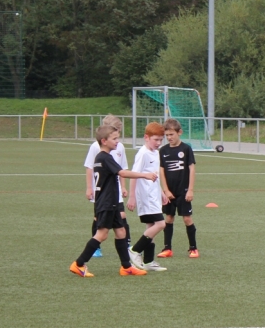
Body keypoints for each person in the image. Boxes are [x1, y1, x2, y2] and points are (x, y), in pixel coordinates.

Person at [70, 125, 157, 277]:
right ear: (104, 141)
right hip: (107, 202)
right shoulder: (105, 157)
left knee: (121, 232)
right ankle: (79, 264)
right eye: (114, 138)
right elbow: (122, 172)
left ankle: (126, 267)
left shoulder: (100, 158)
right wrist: (145, 175)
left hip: (111, 202)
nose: (118, 141)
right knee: (102, 234)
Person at [84, 114, 129, 258]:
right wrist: (89, 188)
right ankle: (93, 249)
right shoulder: (97, 148)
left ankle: (127, 247)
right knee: (99, 221)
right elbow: (89, 167)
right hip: (103, 190)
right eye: (115, 132)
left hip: (114, 190)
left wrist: (123, 187)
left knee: (121, 218)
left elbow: (122, 168)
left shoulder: (119, 147)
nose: (118, 137)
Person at [128, 122, 168, 272]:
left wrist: (161, 192)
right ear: (146, 137)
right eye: (155, 139)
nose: (158, 143)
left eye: (161, 140)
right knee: (161, 224)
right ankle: (135, 250)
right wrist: (132, 196)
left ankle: (148, 261)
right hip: (145, 195)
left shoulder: (155, 153)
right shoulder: (143, 153)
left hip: (154, 194)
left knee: (151, 227)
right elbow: (134, 175)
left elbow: (154, 175)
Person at [158, 118, 198, 258]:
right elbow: (161, 170)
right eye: (167, 135)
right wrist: (165, 190)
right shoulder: (163, 150)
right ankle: (167, 248)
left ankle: (193, 248)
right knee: (169, 218)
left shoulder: (186, 149)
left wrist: (190, 189)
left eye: (171, 134)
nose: (169, 138)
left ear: (179, 132)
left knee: (187, 218)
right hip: (169, 191)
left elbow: (192, 169)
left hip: (183, 191)